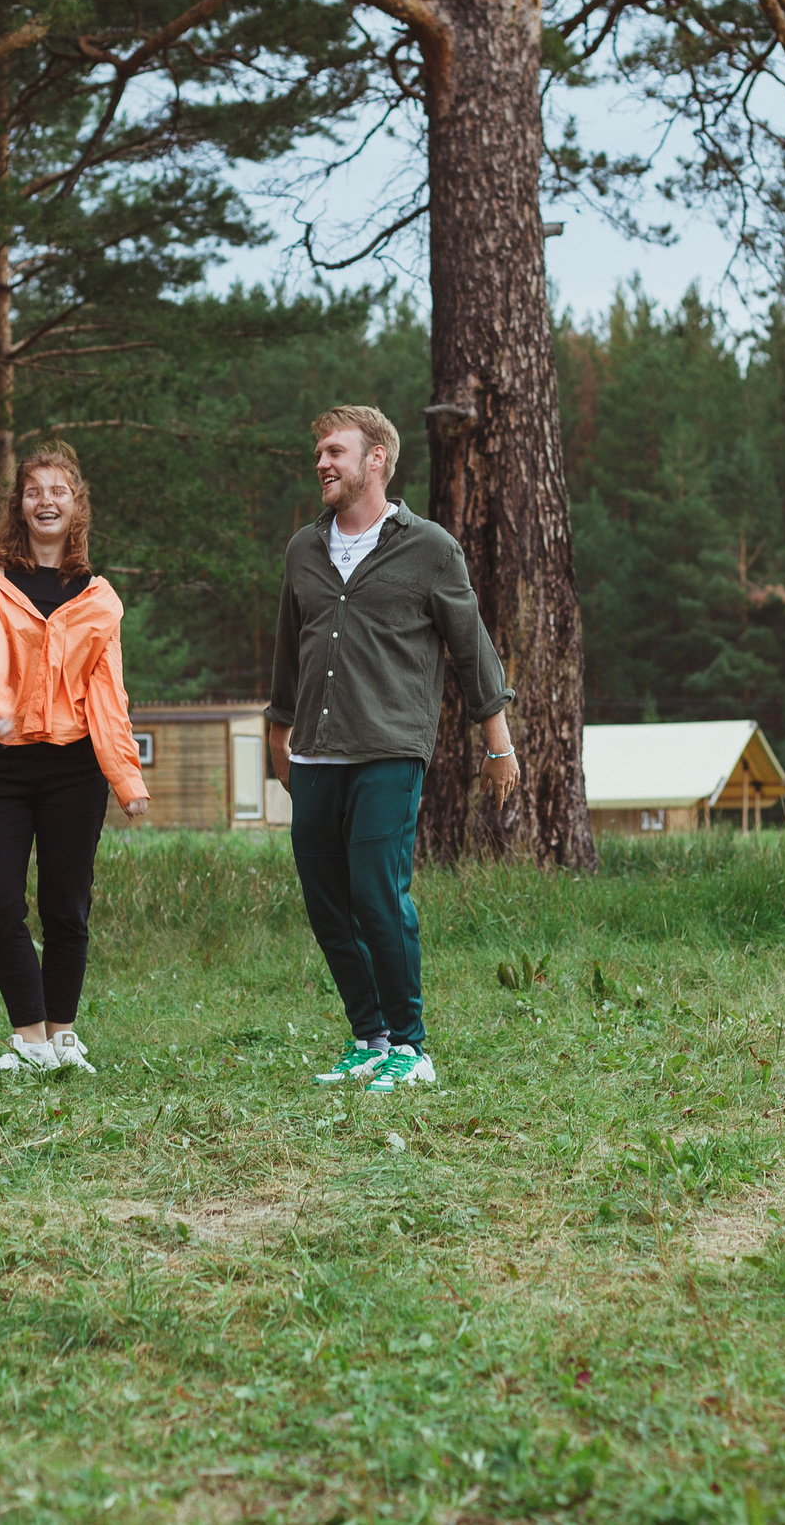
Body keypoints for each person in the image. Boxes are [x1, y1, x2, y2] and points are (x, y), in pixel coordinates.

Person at [265, 407, 516, 1096]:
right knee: (327, 905)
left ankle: (412, 1045)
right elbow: (290, 650)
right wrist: (277, 736)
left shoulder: (429, 547)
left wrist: (498, 742)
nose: (322, 462)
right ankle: (369, 1038)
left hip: (389, 749)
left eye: (335, 451)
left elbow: (471, 646)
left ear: (377, 459)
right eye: (318, 451)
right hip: (315, 753)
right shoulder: (302, 551)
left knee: (378, 894)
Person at [0, 445, 150, 1080]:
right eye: (34, 490)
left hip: (74, 769)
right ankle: (29, 1040)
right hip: (1, 763)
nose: (46, 500)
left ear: (76, 506)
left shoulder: (99, 599)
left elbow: (108, 695)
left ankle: (61, 1036)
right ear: (19, 506)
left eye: (59, 490)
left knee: (66, 905)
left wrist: (126, 777)